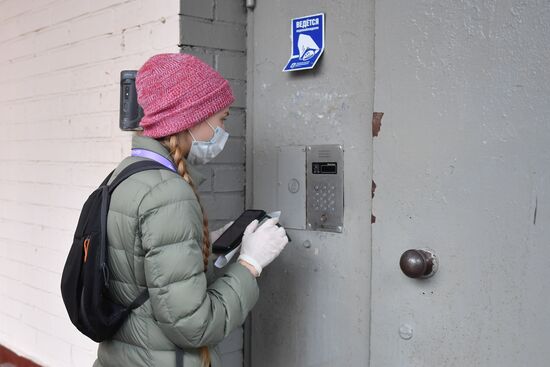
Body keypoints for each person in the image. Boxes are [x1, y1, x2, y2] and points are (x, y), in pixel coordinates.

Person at [92, 53, 289, 367]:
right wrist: (250, 265)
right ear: (194, 118)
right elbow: (194, 326)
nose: (224, 129)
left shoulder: (127, 173)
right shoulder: (169, 193)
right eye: (222, 118)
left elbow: (147, 270)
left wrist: (202, 244)